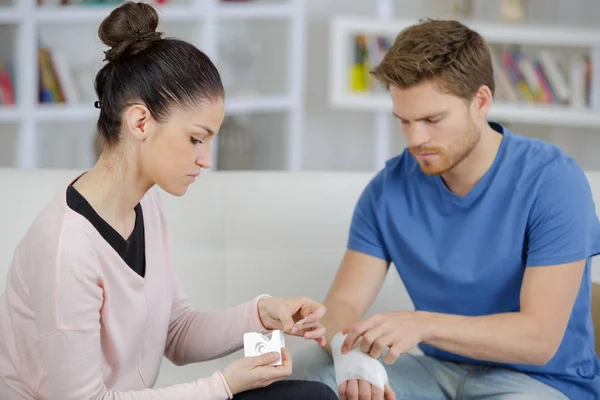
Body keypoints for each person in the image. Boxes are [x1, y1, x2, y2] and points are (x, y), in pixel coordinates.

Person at [0, 2, 337, 400]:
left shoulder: (146, 205)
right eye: (196, 138)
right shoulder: (68, 250)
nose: (206, 159)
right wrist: (224, 385)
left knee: (309, 395)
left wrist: (262, 314)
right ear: (140, 122)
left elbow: (175, 332)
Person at [292, 18, 600, 400]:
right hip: (436, 374)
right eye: (404, 121)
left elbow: (538, 339)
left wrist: (423, 325)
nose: (416, 139)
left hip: (540, 383)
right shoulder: (388, 190)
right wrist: (351, 358)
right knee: (309, 371)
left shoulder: (554, 182)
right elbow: (343, 304)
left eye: (432, 120)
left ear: (481, 101)